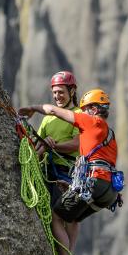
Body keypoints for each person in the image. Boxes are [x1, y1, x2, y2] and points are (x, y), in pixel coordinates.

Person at [19, 88, 119, 255]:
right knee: (72, 218)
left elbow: (54, 111)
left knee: (57, 214)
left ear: (92, 109)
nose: (83, 112)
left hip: (94, 184)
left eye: (86, 108)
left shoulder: (89, 121)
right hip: (109, 192)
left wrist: (33, 108)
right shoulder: (109, 133)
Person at [36, 71, 81, 201]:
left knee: (63, 216)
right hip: (47, 173)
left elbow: (75, 144)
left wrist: (51, 146)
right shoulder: (48, 118)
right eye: (55, 92)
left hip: (66, 173)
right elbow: (36, 145)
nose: (57, 96)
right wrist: (44, 142)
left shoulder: (78, 115)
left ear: (72, 91)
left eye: (61, 92)